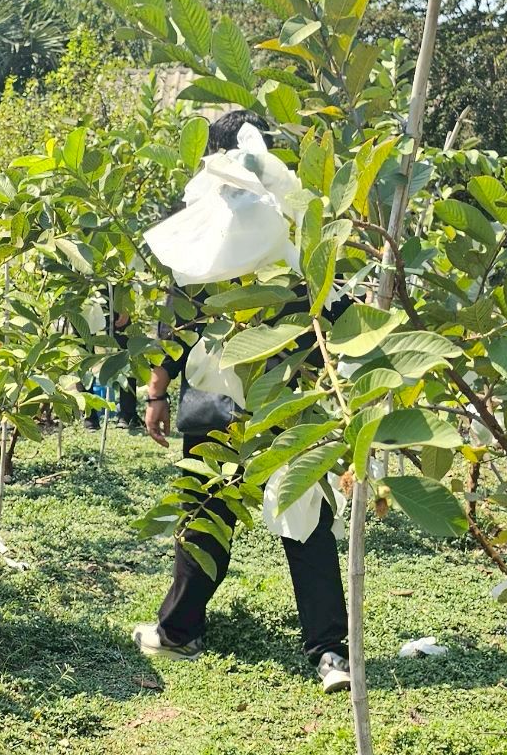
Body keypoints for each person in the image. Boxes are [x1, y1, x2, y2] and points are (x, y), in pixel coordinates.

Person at [131, 110, 350, 686]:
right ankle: (330, 651)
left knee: (207, 511)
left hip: (217, 398)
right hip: (285, 392)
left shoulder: (202, 225)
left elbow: (178, 314)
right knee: (305, 515)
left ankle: (179, 631)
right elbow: (331, 305)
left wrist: (156, 392)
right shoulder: (296, 222)